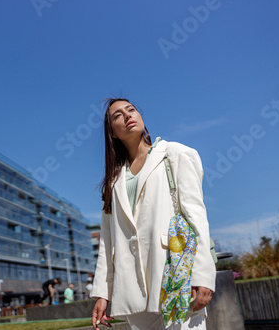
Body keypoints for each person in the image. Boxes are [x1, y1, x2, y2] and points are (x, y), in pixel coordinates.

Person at [91, 98, 216, 330]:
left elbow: (195, 217)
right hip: (132, 288)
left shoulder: (174, 154)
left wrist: (202, 275)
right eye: (117, 115)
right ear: (113, 134)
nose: (127, 116)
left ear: (140, 116)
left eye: (131, 110)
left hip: (176, 276)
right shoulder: (113, 182)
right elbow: (107, 242)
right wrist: (102, 292)